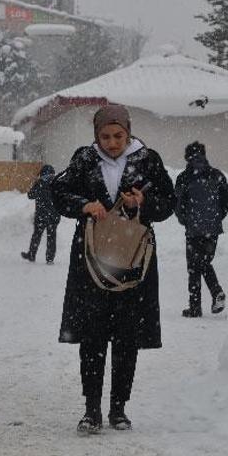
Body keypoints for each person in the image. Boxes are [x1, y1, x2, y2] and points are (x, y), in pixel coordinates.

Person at [52, 104, 175, 434]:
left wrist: (144, 203)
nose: (112, 142)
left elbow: (169, 202)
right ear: (96, 135)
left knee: (127, 337)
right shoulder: (84, 158)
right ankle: (91, 409)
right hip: (91, 261)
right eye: (105, 136)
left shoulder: (147, 160)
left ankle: (118, 408)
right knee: (92, 337)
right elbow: (57, 192)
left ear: (128, 132)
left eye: (118, 136)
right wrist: (83, 205)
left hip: (135, 260)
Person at [174, 142, 228, 317]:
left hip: (193, 228)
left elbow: (177, 203)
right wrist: (216, 217)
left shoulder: (184, 177)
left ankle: (196, 306)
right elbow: (227, 199)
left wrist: (185, 220)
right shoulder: (217, 175)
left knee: (194, 266)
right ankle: (215, 294)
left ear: (187, 157)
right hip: (212, 229)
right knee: (204, 262)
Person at [21, 164, 60, 265]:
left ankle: (31, 255)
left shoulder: (40, 182)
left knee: (37, 235)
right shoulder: (57, 182)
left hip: (41, 215)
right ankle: (50, 259)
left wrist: (35, 185)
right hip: (54, 215)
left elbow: (30, 195)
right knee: (51, 237)